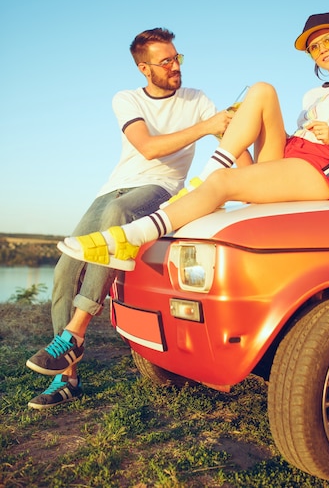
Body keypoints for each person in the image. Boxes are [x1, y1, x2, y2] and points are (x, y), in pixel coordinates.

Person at [27, 12, 329, 388]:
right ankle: (66, 364)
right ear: (144, 68)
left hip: (320, 166)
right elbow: (153, 145)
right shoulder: (314, 94)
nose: (321, 50)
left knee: (218, 181)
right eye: (314, 46)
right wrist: (237, 153)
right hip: (291, 156)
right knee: (261, 90)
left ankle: (140, 230)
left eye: (327, 40)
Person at [26, 27, 250, 409]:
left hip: (161, 189)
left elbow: (232, 145)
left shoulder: (197, 99)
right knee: (64, 270)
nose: (176, 66)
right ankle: (67, 378)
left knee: (119, 214)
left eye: (178, 57)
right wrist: (206, 126)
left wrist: (247, 184)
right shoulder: (126, 99)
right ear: (145, 69)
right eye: (166, 61)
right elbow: (147, 148)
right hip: (113, 188)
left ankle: (75, 333)